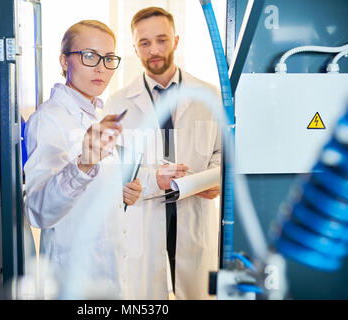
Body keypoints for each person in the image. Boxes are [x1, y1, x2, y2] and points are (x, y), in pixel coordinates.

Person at [104, 7, 221, 299]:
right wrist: (154, 179)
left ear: (176, 41)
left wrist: (215, 180)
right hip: (144, 219)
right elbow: (112, 166)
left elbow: (222, 152)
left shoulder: (209, 94)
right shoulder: (118, 102)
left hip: (194, 214)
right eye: (144, 43)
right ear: (134, 48)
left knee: (196, 292)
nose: (154, 50)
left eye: (161, 40)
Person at [24, 20, 142, 298]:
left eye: (109, 58)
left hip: (109, 269)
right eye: (89, 56)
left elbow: (93, 190)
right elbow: (38, 211)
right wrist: (83, 165)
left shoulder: (98, 112)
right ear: (64, 61)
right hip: (74, 274)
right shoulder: (48, 120)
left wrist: (121, 190)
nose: (101, 67)